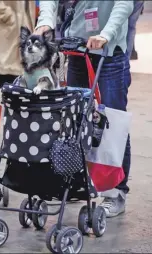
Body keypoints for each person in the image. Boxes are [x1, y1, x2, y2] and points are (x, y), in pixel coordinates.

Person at [35, 1, 133, 218]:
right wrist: (45, 21)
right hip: (77, 47)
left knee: (112, 122)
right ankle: (77, 184)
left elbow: (124, 4)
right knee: (73, 118)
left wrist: (106, 34)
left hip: (109, 50)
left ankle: (115, 192)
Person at [0, 1, 37, 88]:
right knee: (6, 73)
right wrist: (6, 14)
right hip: (6, 24)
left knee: (19, 74)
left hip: (22, 23)